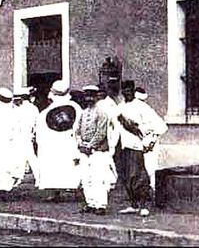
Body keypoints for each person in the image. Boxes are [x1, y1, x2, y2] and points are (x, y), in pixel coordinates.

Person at [116, 81, 168, 217]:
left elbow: (160, 125)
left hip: (137, 146)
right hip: (123, 146)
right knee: (126, 177)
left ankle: (144, 206)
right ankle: (133, 205)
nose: (127, 93)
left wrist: (149, 140)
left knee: (139, 176)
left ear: (133, 91)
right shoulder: (120, 107)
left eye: (129, 90)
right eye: (124, 90)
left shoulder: (141, 106)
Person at [35, 80, 82, 199]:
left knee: (57, 166)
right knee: (71, 166)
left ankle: (57, 192)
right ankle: (69, 191)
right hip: (68, 142)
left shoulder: (45, 113)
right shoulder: (76, 108)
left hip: (57, 144)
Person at [74, 85, 111, 214]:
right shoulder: (83, 113)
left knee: (98, 178)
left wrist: (90, 146)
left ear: (96, 97)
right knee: (86, 178)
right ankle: (90, 203)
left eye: (92, 96)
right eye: (87, 96)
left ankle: (100, 205)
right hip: (84, 150)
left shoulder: (102, 113)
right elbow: (77, 131)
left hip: (97, 150)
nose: (89, 99)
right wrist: (80, 143)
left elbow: (101, 132)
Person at [11, 87, 39, 185]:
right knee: (26, 157)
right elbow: (36, 123)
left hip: (21, 135)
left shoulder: (19, 109)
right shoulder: (34, 108)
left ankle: (35, 178)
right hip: (28, 134)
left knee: (26, 157)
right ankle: (22, 178)